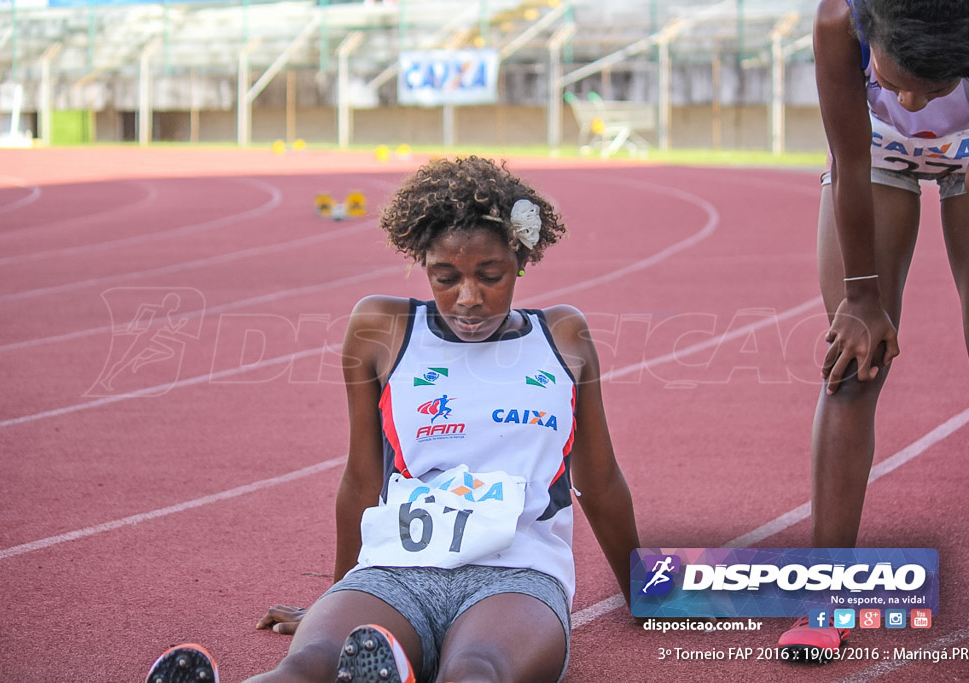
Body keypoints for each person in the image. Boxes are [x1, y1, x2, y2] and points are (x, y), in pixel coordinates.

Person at [147, 156, 641, 683]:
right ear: (422, 263)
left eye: (490, 276)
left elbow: (600, 479)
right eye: (445, 277)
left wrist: (655, 594)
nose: (468, 298)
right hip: (395, 570)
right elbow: (362, 476)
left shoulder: (563, 337)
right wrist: (337, 597)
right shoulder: (382, 328)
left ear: (520, 259)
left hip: (517, 577)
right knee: (311, 665)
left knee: (475, 671)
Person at [778, 0, 969, 656]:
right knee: (852, 365)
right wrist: (862, 300)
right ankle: (826, 596)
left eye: (932, 91)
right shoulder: (843, 19)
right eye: (897, 84)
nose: (915, 104)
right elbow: (848, 159)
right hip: (874, 153)